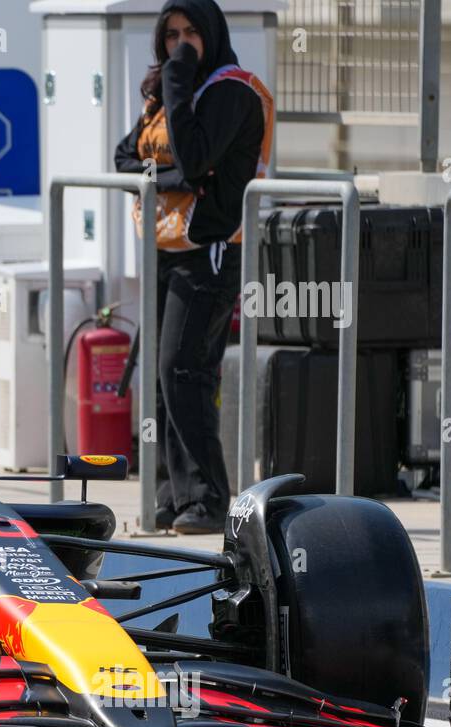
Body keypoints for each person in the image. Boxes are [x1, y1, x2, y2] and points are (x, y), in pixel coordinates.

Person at [114, 0, 273, 534]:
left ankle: (207, 499)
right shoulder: (164, 93)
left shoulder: (229, 90)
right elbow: (124, 156)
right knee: (160, 380)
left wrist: (178, 80)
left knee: (183, 371)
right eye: (171, 35)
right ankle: (173, 495)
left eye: (191, 35)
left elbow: (198, 156)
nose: (180, 45)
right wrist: (170, 172)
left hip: (210, 248)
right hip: (164, 247)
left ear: (212, 35)